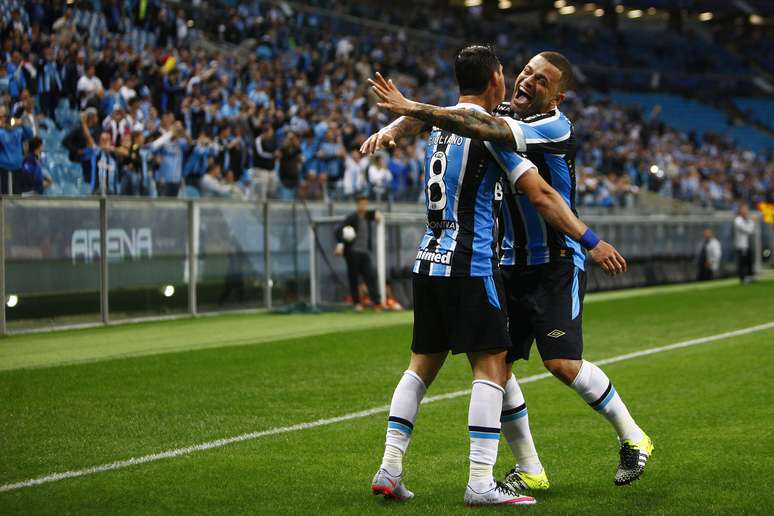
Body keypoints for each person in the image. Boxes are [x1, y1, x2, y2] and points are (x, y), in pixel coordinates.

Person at [365, 49, 647, 491]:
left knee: (560, 363)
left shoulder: (551, 126)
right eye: (527, 71)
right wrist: (396, 125)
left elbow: (492, 143)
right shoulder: (494, 117)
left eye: (541, 80)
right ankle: (529, 468)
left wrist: (590, 241)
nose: (528, 81)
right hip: (507, 261)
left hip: (557, 259)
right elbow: (457, 115)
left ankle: (633, 438)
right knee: (499, 365)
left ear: (557, 96)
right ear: (504, 77)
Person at [334, 194, 382, 311]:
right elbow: (339, 231)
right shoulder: (352, 218)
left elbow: (377, 214)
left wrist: (377, 215)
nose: (363, 206)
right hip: (353, 252)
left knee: (370, 276)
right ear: (357, 205)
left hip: (364, 252)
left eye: (365, 204)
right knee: (353, 278)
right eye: (361, 204)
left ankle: (376, 302)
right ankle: (357, 303)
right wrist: (340, 245)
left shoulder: (367, 215)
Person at [0, 103, 33, 194]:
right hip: (3, 169)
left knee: (17, 195)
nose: (3, 119)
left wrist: (21, 123)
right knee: (5, 198)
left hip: (18, 168)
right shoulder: (1, 133)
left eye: (4, 116)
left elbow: (30, 134)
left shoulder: (17, 131)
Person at [734, 204, 756, 284]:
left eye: (746, 209)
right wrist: (753, 222)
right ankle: (742, 278)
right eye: (744, 209)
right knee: (742, 263)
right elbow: (748, 230)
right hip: (741, 246)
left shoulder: (747, 219)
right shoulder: (738, 220)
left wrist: (751, 222)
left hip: (747, 244)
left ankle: (750, 277)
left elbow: (752, 231)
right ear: (740, 211)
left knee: (749, 261)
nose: (746, 211)